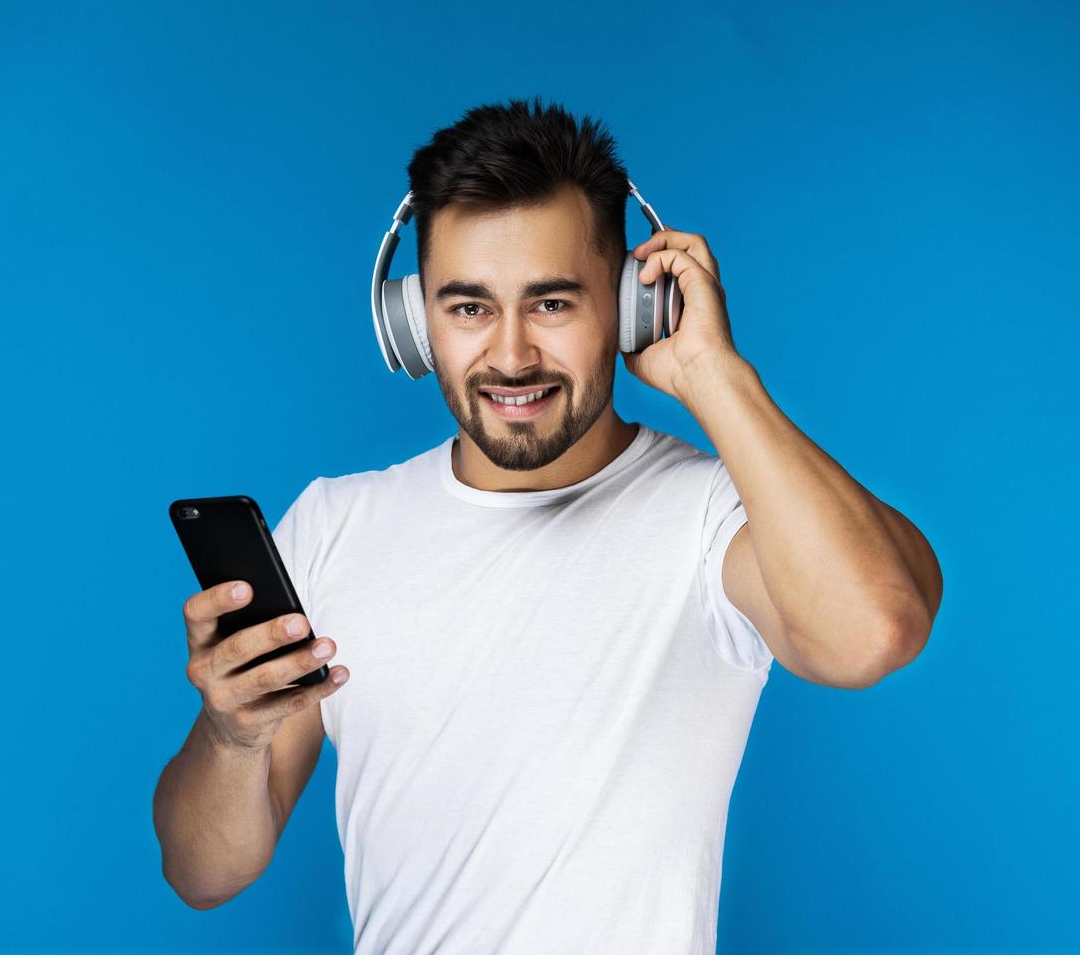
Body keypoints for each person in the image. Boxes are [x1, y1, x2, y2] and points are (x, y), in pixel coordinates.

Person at [153, 97, 943, 953]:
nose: (512, 355)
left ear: (634, 305)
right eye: (468, 308)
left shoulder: (717, 515)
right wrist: (232, 735)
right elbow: (203, 873)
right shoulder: (334, 527)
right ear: (414, 324)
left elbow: (876, 631)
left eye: (554, 304)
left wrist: (714, 372)